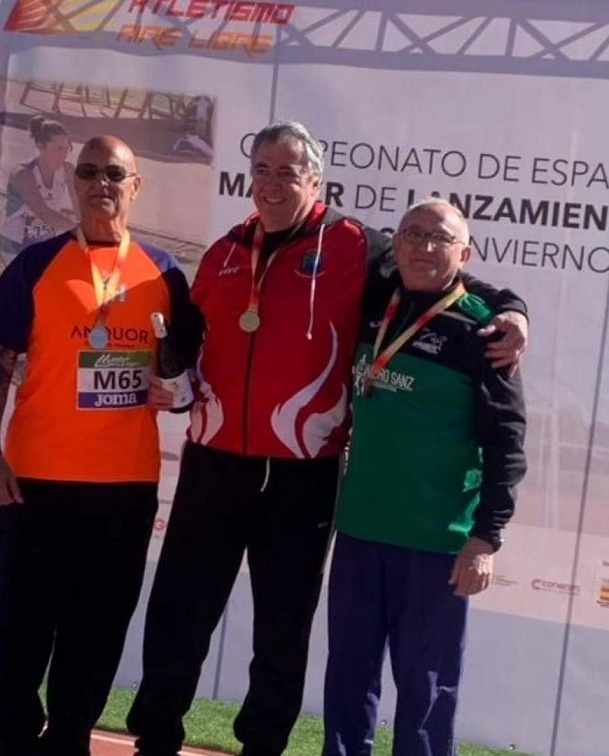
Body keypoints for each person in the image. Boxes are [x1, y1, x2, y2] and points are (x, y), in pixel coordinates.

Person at [126, 121, 528, 756]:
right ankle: (155, 738)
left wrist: (511, 308)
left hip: (302, 473)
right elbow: (188, 342)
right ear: (249, 176)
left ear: (315, 180)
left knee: (282, 631)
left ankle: (262, 746)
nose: (273, 183)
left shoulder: (354, 246)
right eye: (263, 170)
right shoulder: (226, 251)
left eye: (289, 172)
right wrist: (174, 384)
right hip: (213, 463)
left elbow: (437, 272)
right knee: (179, 613)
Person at [0, 135, 202, 756]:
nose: (101, 182)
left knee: (96, 634)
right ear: (74, 182)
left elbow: (186, 379)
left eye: (114, 173)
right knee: (18, 632)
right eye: (89, 172)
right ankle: (14, 741)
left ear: (135, 185)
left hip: (123, 489)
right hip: (34, 483)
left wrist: (175, 390)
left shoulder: (165, 272)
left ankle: (70, 740)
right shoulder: (35, 264)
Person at [323, 198, 527, 756]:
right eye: (411, 233)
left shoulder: (484, 333)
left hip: (436, 544)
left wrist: (486, 538)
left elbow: (508, 443)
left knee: (426, 692)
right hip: (361, 531)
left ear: (466, 252)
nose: (422, 246)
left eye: (439, 238)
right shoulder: (374, 300)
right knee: (347, 680)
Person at [0, 114, 78, 264]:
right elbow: (42, 212)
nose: (64, 154)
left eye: (68, 148)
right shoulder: (23, 174)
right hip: (15, 243)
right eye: (58, 149)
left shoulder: (68, 170)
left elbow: (78, 203)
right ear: (40, 146)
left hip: (44, 240)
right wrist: (77, 229)